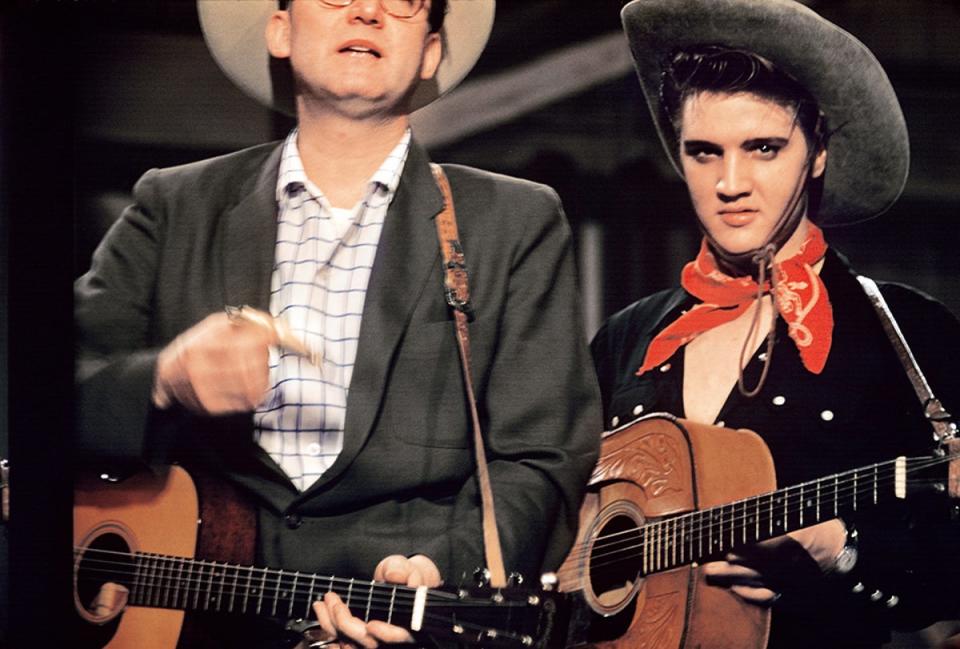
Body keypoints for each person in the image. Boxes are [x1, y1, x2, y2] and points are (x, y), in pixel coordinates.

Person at [74, 1, 602, 647]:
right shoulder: (173, 203)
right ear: (280, 29)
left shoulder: (513, 220)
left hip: (398, 614)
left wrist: (441, 566)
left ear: (430, 49)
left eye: (401, 1)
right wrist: (162, 379)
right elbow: (37, 393)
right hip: (191, 617)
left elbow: (543, 454)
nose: (367, 11)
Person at [591, 0, 960, 647]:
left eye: (763, 148)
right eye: (703, 152)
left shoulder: (907, 333)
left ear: (817, 151)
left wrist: (838, 549)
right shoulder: (628, 337)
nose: (730, 181)